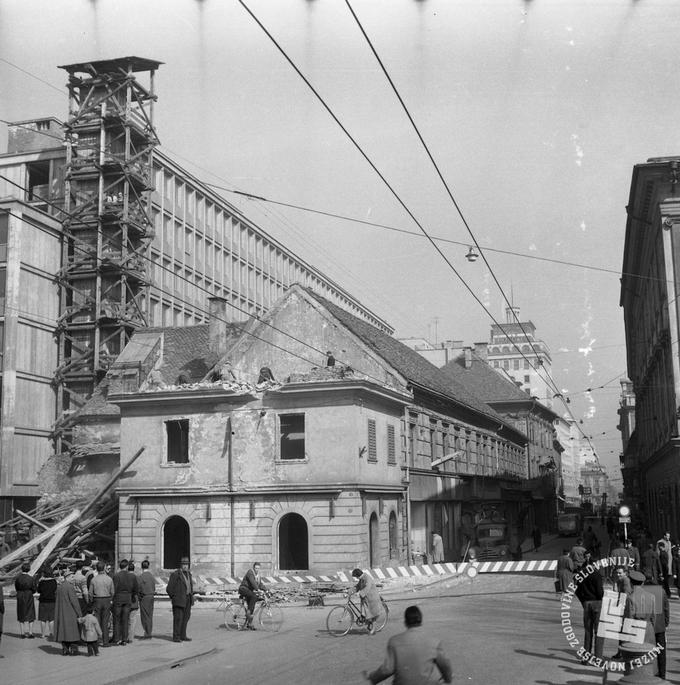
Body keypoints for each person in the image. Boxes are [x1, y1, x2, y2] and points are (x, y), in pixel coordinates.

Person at [363, 605, 452, 684]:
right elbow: (445, 666)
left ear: (405, 622)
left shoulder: (394, 641)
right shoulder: (434, 642)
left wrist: (373, 678)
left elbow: (387, 669)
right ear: (421, 621)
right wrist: (448, 679)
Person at [574, 551, 604, 659]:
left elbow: (576, 590)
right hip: (597, 603)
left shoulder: (581, 575)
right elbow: (600, 592)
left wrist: (583, 601)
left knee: (588, 631)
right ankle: (598, 657)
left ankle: (586, 657)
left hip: (586, 604)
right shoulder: (597, 575)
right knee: (599, 631)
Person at [643, 570, 669, 680]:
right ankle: (662, 673)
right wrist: (666, 622)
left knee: (645, 650)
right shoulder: (661, 591)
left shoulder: (642, 591)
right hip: (660, 625)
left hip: (647, 625)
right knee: (661, 651)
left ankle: (646, 672)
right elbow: (666, 608)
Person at [166, 556, 195, 642]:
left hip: (188, 599)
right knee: (178, 619)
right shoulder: (175, 575)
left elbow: (190, 587)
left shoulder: (189, 574)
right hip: (178, 600)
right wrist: (175, 597)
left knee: (186, 618)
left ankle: (183, 635)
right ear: (181, 565)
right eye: (184, 564)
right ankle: (176, 637)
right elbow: (169, 589)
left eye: (187, 564)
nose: (185, 566)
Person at [624, 570, 656, 647]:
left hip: (636, 628)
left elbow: (629, 617)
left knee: (635, 655)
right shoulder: (651, 596)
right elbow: (654, 617)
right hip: (649, 628)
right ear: (642, 583)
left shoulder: (630, 598)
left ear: (631, 583)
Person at [54, 571, 82, 656]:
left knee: (63, 630)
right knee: (73, 631)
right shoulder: (70, 587)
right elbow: (74, 602)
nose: (73, 579)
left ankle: (65, 649)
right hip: (70, 611)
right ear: (68, 577)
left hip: (61, 611)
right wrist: (79, 614)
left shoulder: (59, 587)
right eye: (72, 577)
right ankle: (74, 649)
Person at [112, 559, 137, 646]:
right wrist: (132, 595)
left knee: (117, 619)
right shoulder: (132, 576)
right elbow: (136, 589)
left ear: (120, 566)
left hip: (118, 598)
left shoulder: (116, 576)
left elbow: (113, 589)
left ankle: (116, 639)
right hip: (127, 598)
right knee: (125, 619)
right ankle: (124, 639)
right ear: (127, 567)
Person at [90, 560, 114, 647]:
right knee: (105, 621)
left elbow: (90, 593)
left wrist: (92, 601)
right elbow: (112, 592)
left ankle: (96, 640)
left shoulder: (93, 579)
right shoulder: (109, 579)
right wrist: (110, 599)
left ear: (96, 568)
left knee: (97, 621)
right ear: (104, 568)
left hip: (97, 600)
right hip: (106, 600)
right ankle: (105, 641)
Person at [238, 561, 267, 631]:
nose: (257, 569)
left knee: (252, 604)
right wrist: (258, 589)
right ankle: (248, 613)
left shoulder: (258, 576)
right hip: (243, 589)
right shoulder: (250, 572)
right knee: (254, 596)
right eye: (256, 568)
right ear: (253, 568)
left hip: (249, 591)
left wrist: (266, 590)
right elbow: (253, 582)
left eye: (258, 568)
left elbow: (260, 584)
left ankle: (249, 624)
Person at [352, 568, 382, 635]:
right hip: (366, 599)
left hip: (372, 598)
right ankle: (369, 624)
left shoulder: (367, 578)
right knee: (365, 614)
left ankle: (373, 629)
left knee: (372, 614)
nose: (356, 578)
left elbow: (367, 588)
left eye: (356, 577)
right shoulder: (361, 579)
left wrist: (359, 593)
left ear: (358, 575)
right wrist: (350, 590)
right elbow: (358, 586)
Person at [15, 561, 36, 638]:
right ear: (29, 569)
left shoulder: (18, 578)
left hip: (20, 595)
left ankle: (22, 633)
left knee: (21, 613)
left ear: (22, 569)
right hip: (29, 595)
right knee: (30, 613)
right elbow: (34, 588)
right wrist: (31, 592)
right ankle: (30, 632)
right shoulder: (31, 578)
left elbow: (16, 588)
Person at [37, 567, 58, 639]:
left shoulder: (41, 582)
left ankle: (43, 634)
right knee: (51, 619)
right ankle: (51, 633)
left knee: (43, 619)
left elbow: (38, 590)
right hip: (52, 601)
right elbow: (55, 590)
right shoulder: (54, 581)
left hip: (43, 601)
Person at [138, 559, 155, 639]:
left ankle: (147, 633)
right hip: (151, 596)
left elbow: (139, 588)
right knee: (150, 615)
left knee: (144, 615)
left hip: (144, 597)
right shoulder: (151, 576)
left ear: (142, 567)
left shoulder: (141, 577)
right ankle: (149, 631)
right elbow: (153, 587)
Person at [127, 561, 139, 642]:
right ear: (134, 569)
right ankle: (130, 638)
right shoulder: (136, 577)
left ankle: (125, 636)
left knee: (125, 619)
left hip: (126, 600)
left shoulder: (125, 577)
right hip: (134, 601)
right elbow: (138, 589)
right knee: (133, 620)